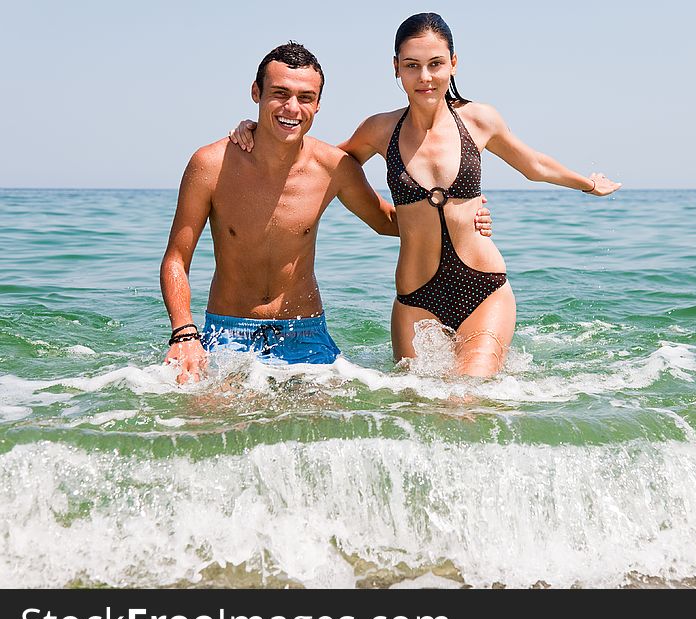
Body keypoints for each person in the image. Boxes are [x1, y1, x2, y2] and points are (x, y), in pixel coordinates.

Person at [231, 15, 620, 377]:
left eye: (435, 63)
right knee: (420, 407)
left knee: (467, 396)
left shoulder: (479, 119)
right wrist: (259, 129)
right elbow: (319, 162)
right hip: (416, 298)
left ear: (452, 63)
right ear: (396, 67)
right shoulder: (380, 129)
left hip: (483, 287)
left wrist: (587, 183)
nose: (425, 76)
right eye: (412, 65)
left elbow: (533, 164)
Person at [161, 41, 492, 384]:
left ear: (318, 105)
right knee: (208, 420)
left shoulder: (332, 168)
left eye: (305, 97)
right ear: (256, 92)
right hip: (229, 334)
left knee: (339, 419)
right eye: (279, 93)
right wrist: (184, 333)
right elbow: (176, 260)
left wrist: (458, 216)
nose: (292, 107)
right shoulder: (211, 165)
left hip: (306, 335)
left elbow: (389, 223)